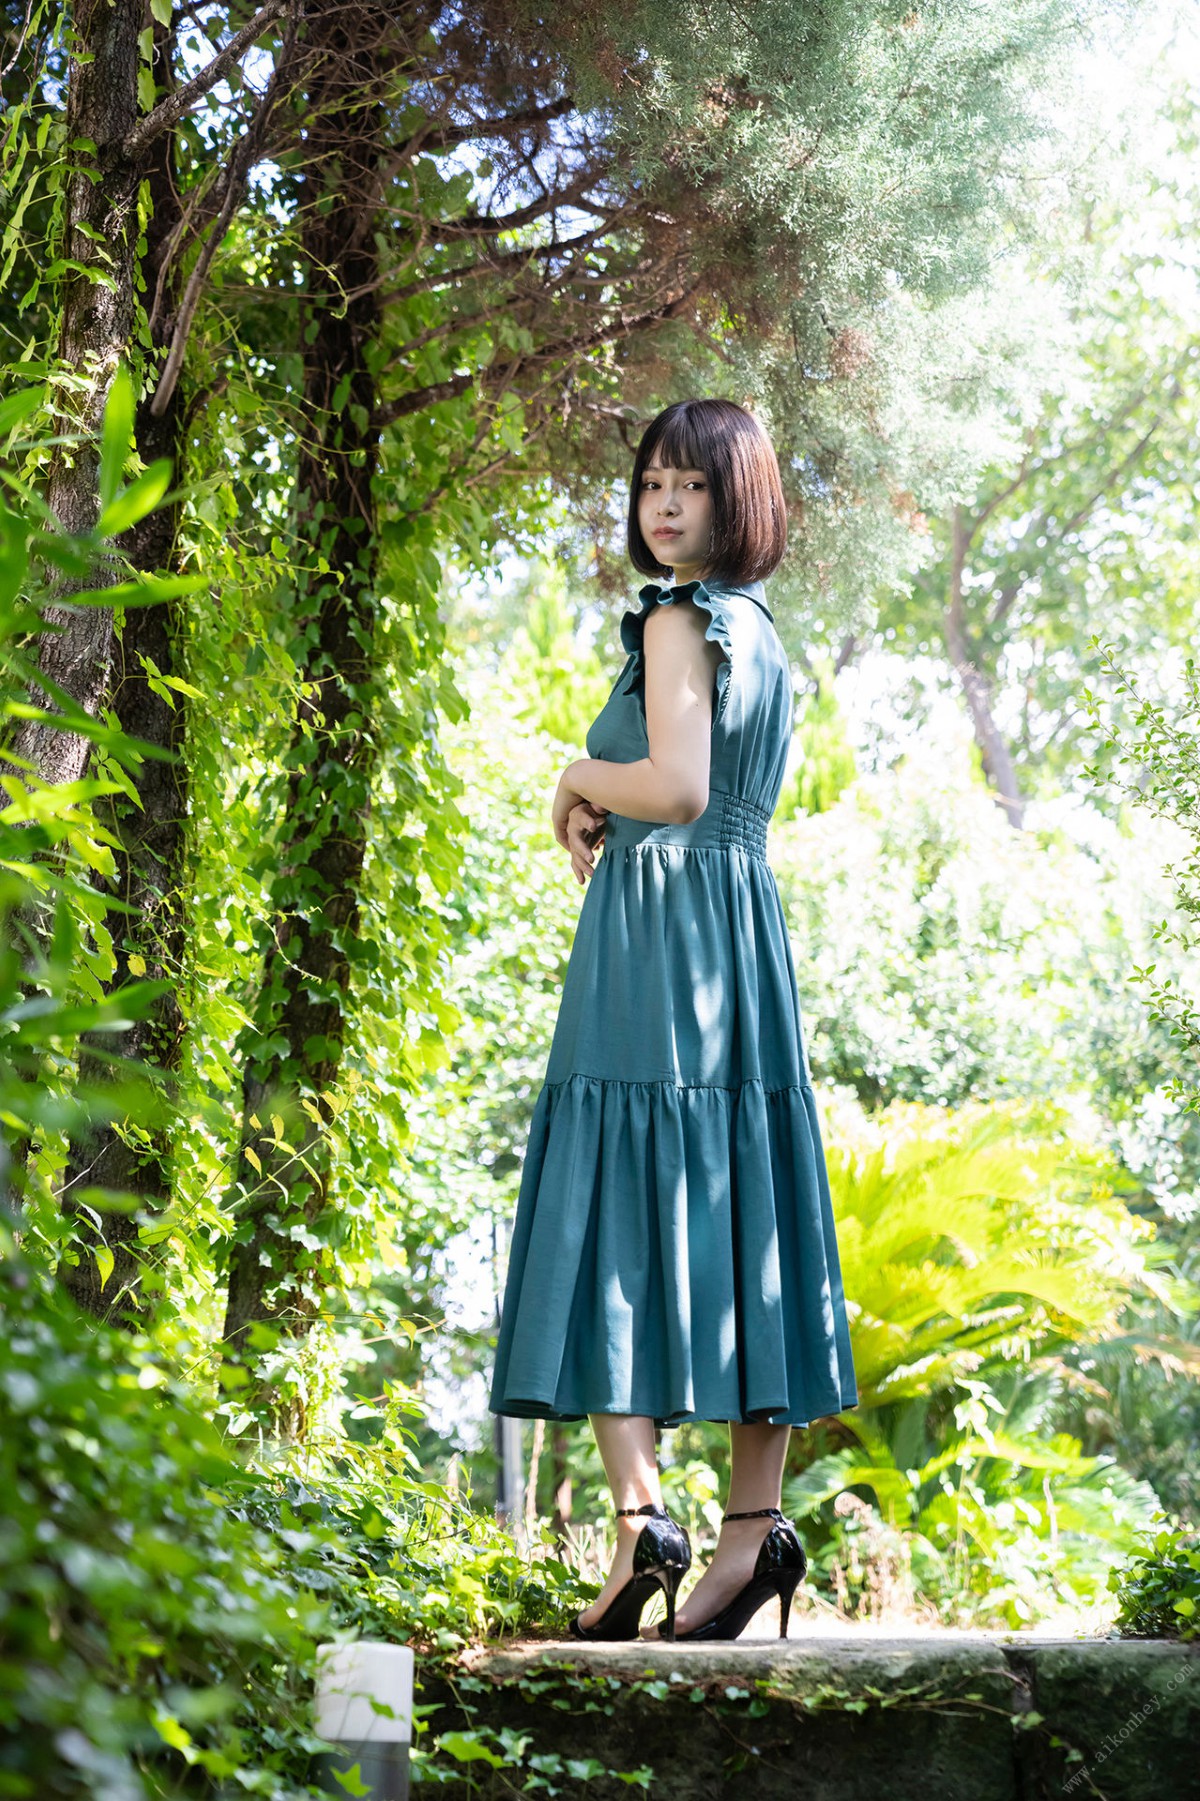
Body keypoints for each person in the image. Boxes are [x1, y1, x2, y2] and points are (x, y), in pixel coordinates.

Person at [488, 397, 859, 1642]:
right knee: (750, 1197)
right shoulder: (761, 631)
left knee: (612, 1195)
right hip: (740, 933)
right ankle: (752, 1536)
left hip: (656, 934)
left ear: (736, 498)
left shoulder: (675, 618)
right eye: (652, 480)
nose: (663, 503)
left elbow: (678, 786)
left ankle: (642, 1517)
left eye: (691, 484)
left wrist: (576, 776)